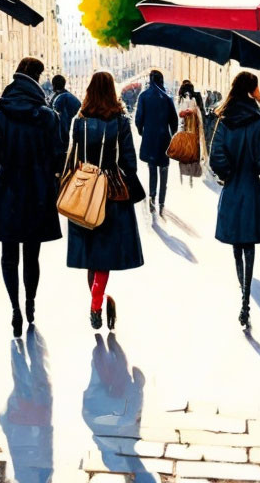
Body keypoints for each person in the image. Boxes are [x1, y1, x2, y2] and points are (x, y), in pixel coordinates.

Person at [0, 58, 65, 338]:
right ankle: (30, 303)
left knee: (9, 255)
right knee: (32, 255)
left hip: (8, 192)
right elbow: (58, 158)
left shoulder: (0, 113)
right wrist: (43, 173)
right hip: (37, 193)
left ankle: (14, 307)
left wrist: (5, 172)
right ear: (36, 78)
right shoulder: (48, 116)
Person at [66, 72, 146, 329]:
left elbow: (71, 158)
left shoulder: (79, 122)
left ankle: (98, 301)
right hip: (110, 193)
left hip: (82, 192)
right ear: (112, 91)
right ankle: (96, 304)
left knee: (92, 255)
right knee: (104, 254)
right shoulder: (121, 122)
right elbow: (130, 164)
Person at [209, 72, 260, 329]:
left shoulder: (223, 122)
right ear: (250, 90)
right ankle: (246, 299)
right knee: (250, 246)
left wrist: (227, 173)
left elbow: (216, 157)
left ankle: (243, 295)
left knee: (237, 244)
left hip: (233, 189)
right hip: (252, 190)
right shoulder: (258, 122)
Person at [135, 70, 177, 215]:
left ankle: (152, 197)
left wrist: (142, 131)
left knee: (152, 168)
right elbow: (174, 120)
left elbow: (138, 118)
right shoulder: (167, 97)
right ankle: (162, 201)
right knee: (164, 169)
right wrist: (172, 135)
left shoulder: (143, 96)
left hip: (150, 138)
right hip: (164, 138)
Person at [49, 74, 82, 149]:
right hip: (70, 135)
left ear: (53, 85)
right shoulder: (73, 98)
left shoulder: (56, 99)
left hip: (58, 138)